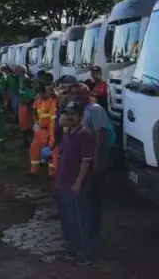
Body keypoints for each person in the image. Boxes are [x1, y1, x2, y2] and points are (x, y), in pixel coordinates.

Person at [54, 101, 97, 265]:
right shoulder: (67, 133)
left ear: (81, 116)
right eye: (67, 114)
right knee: (67, 218)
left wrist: (78, 182)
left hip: (75, 185)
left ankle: (83, 253)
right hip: (63, 183)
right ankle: (71, 249)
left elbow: (86, 161)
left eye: (73, 114)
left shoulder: (84, 135)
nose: (69, 117)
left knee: (79, 219)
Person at [73, 83, 114, 246]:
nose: (76, 96)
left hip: (94, 160)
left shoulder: (95, 110)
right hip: (84, 160)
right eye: (74, 93)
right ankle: (86, 229)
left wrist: (96, 162)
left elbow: (99, 137)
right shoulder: (80, 110)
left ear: (88, 93)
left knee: (93, 197)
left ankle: (94, 233)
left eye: (80, 93)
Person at [30, 84, 59, 177]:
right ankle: (34, 170)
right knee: (34, 149)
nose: (42, 94)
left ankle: (52, 173)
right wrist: (35, 122)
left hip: (49, 130)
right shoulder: (38, 100)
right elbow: (34, 110)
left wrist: (52, 134)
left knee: (50, 150)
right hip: (39, 130)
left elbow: (53, 120)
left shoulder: (54, 101)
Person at [17, 69, 37, 147]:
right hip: (24, 108)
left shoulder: (33, 89)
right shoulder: (23, 89)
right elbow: (24, 100)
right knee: (24, 125)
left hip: (30, 108)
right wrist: (31, 100)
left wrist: (32, 101)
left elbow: (34, 99)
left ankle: (32, 141)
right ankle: (25, 141)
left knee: (31, 125)